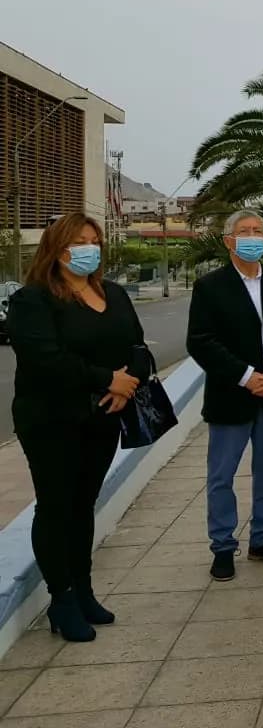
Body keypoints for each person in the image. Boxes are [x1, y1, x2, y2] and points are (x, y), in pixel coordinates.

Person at [8, 212, 145, 642]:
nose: (88, 248)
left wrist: (126, 386)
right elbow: (44, 359)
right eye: (78, 241)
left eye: (94, 240)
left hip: (102, 417)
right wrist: (108, 379)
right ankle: (61, 600)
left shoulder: (115, 294)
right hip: (51, 419)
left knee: (83, 503)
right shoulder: (34, 300)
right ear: (57, 247)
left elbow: (138, 345)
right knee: (56, 505)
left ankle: (83, 590)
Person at [187, 208, 263, 582]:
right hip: (231, 396)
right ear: (228, 241)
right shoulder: (210, 287)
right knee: (222, 475)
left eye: (258, 231)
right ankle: (223, 546)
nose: (253, 236)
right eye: (244, 231)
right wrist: (246, 376)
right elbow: (201, 341)